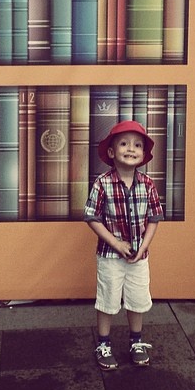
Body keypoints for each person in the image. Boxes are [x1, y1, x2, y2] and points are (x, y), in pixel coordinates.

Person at [84, 120, 163, 369]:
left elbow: (154, 219)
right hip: (110, 256)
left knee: (137, 298)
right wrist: (116, 243)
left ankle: (136, 341)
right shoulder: (102, 183)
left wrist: (143, 247)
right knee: (107, 298)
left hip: (139, 257)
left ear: (143, 154)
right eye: (124, 144)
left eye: (138, 145)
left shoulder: (147, 184)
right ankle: (103, 344)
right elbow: (92, 217)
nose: (131, 149)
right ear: (111, 151)